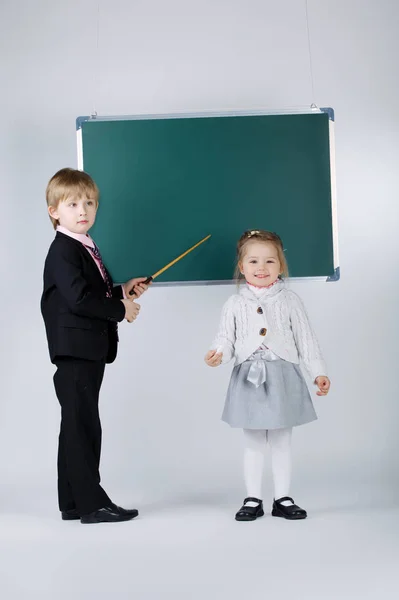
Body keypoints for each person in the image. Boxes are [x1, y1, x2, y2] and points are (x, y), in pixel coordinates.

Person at [41, 167, 149, 524]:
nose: (83, 210)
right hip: (75, 349)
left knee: (75, 423)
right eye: (72, 204)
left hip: (84, 347)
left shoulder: (81, 246)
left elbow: (87, 292)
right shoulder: (64, 249)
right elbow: (78, 299)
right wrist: (120, 308)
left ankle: (72, 501)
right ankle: (91, 504)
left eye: (89, 203)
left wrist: (121, 290)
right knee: (83, 424)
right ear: (54, 211)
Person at [205, 230, 330, 521]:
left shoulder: (290, 300)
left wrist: (318, 372)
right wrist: (218, 353)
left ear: (281, 266)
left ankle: (283, 498)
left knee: (282, 439)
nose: (261, 268)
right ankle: (253, 498)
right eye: (254, 261)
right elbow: (225, 337)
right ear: (242, 266)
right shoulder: (235, 303)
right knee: (253, 440)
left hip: (283, 373)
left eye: (270, 261)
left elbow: (306, 339)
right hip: (249, 377)